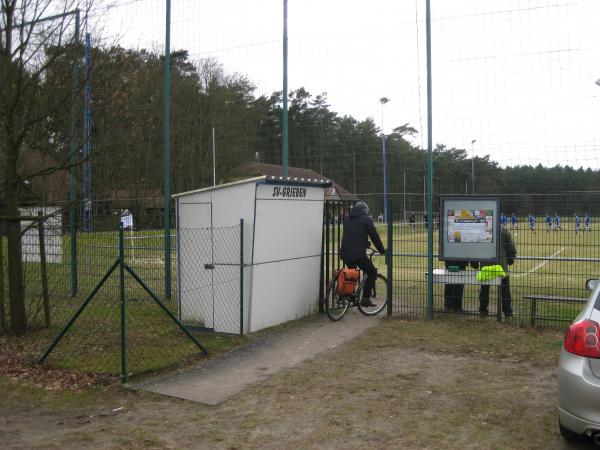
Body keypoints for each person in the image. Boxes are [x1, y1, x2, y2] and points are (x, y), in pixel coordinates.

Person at [340, 201, 386, 307]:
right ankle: (365, 298)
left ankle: (348, 295)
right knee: (372, 272)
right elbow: (375, 236)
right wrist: (382, 250)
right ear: (365, 211)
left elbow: (353, 235)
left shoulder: (348, 219)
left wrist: (365, 243)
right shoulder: (366, 220)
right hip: (357, 254)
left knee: (352, 274)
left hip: (345, 253)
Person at [479, 227, 517, 318]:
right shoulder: (503, 231)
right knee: (505, 288)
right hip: (501, 266)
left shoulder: (482, 230)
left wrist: (474, 263)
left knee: (484, 288)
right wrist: (511, 258)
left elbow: (476, 247)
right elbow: (511, 247)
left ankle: (483, 310)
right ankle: (507, 311)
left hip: (485, 265)